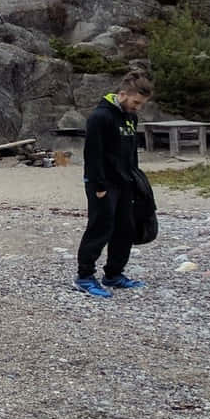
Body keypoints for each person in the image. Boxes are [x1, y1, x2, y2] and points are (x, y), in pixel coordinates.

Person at [74, 70, 153, 299]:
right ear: (122, 94)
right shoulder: (100, 117)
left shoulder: (131, 117)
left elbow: (130, 153)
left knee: (125, 229)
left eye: (141, 104)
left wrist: (135, 179)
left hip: (125, 181)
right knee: (100, 228)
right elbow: (93, 154)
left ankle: (114, 274)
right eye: (136, 102)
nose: (138, 107)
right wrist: (98, 186)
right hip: (103, 183)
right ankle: (84, 276)